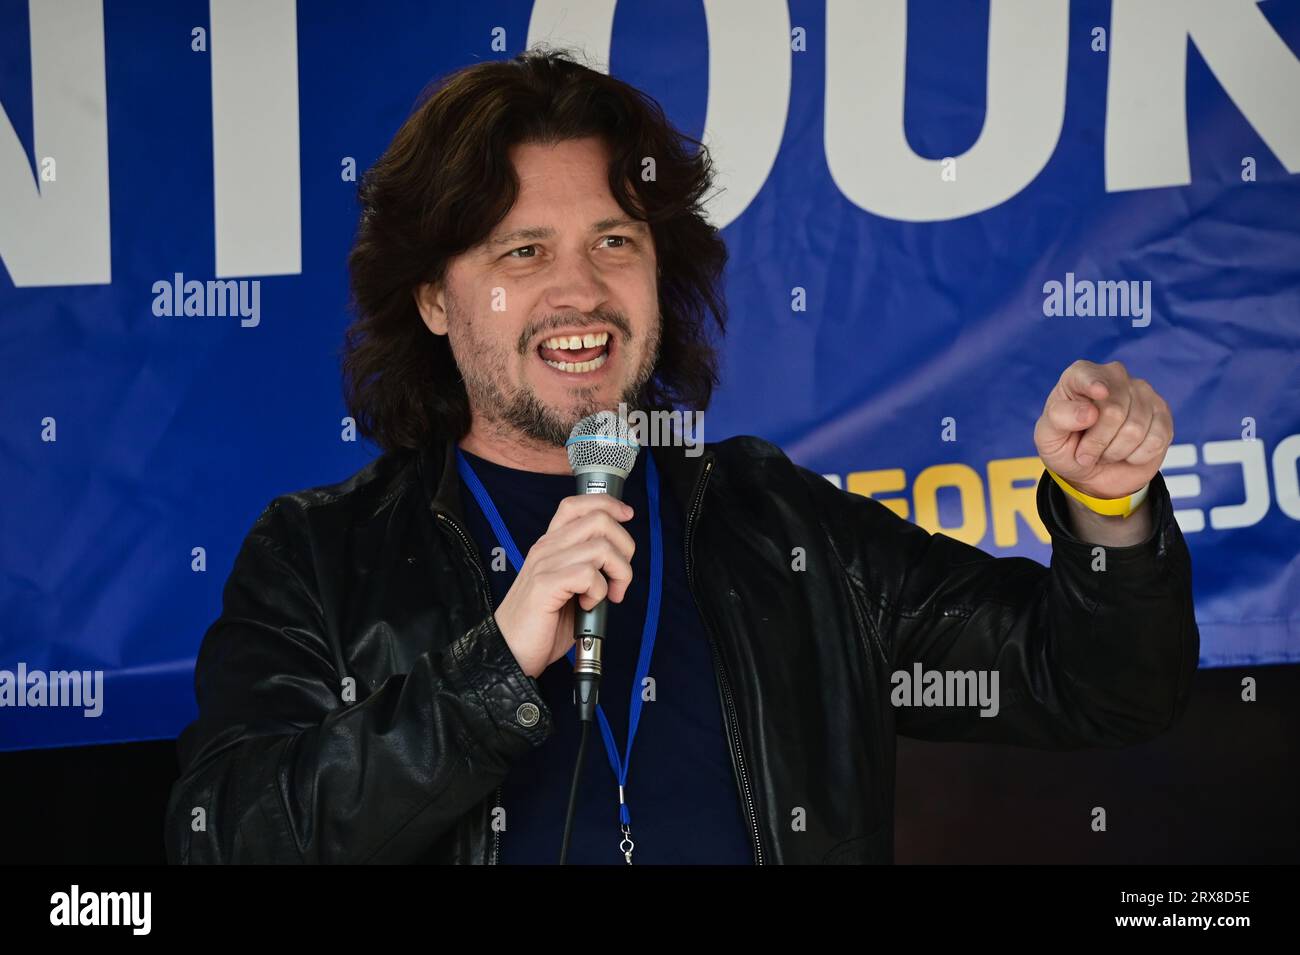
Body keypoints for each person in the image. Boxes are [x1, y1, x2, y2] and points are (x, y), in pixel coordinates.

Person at [164, 47, 1198, 865]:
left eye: (616, 241)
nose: (581, 290)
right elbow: (230, 836)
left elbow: (1095, 686)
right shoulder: (320, 553)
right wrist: (494, 665)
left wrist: (1109, 511)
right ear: (433, 298)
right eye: (522, 252)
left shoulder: (775, 522)